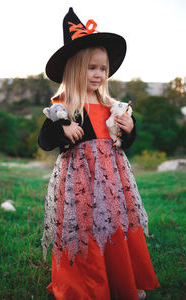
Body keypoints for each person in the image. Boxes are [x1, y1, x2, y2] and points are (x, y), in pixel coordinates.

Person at [38, 7, 160, 300]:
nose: (98, 74)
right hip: (80, 183)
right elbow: (44, 139)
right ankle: (88, 285)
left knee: (115, 223)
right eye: (92, 67)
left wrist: (129, 128)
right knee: (86, 227)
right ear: (76, 69)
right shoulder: (66, 106)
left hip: (113, 180)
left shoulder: (111, 104)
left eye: (103, 69)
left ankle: (123, 281)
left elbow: (125, 143)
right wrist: (63, 129)